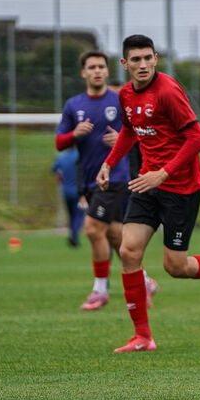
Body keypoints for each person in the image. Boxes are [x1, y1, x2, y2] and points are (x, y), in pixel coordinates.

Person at [97, 34, 200, 353]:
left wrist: (164, 172)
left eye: (148, 58)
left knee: (176, 266)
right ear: (124, 63)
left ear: (156, 59)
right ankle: (142, 336)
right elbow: (130, 130)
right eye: (136, 59)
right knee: (129, 251)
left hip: (180, 189)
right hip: (147, 185)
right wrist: (109, 163)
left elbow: (198, 138)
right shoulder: (126, 95)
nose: (142, 65)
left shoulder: (168, 91)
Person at [57, 52, 158, 311]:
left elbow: (144, 133)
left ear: (107, 71)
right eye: (92, 67)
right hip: (91, 180)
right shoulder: (74, 105)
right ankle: (145, 281)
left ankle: (100, 290)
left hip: (116, 177)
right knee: (114, 234)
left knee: (92, 229)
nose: (97, 71)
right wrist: (74, 134)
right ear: (84, 73)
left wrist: (124, 140)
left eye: (101, 66)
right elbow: (59, 143)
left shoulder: (120, 100)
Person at [51, 148, 85, 248]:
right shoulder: (80, 156)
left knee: (71, 215)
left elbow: (55, 171)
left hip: (66, 191)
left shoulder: (61, 157)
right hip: (79, 192)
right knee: (79, 214)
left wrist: (61, 180)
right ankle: (74, 235)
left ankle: (72, 233)